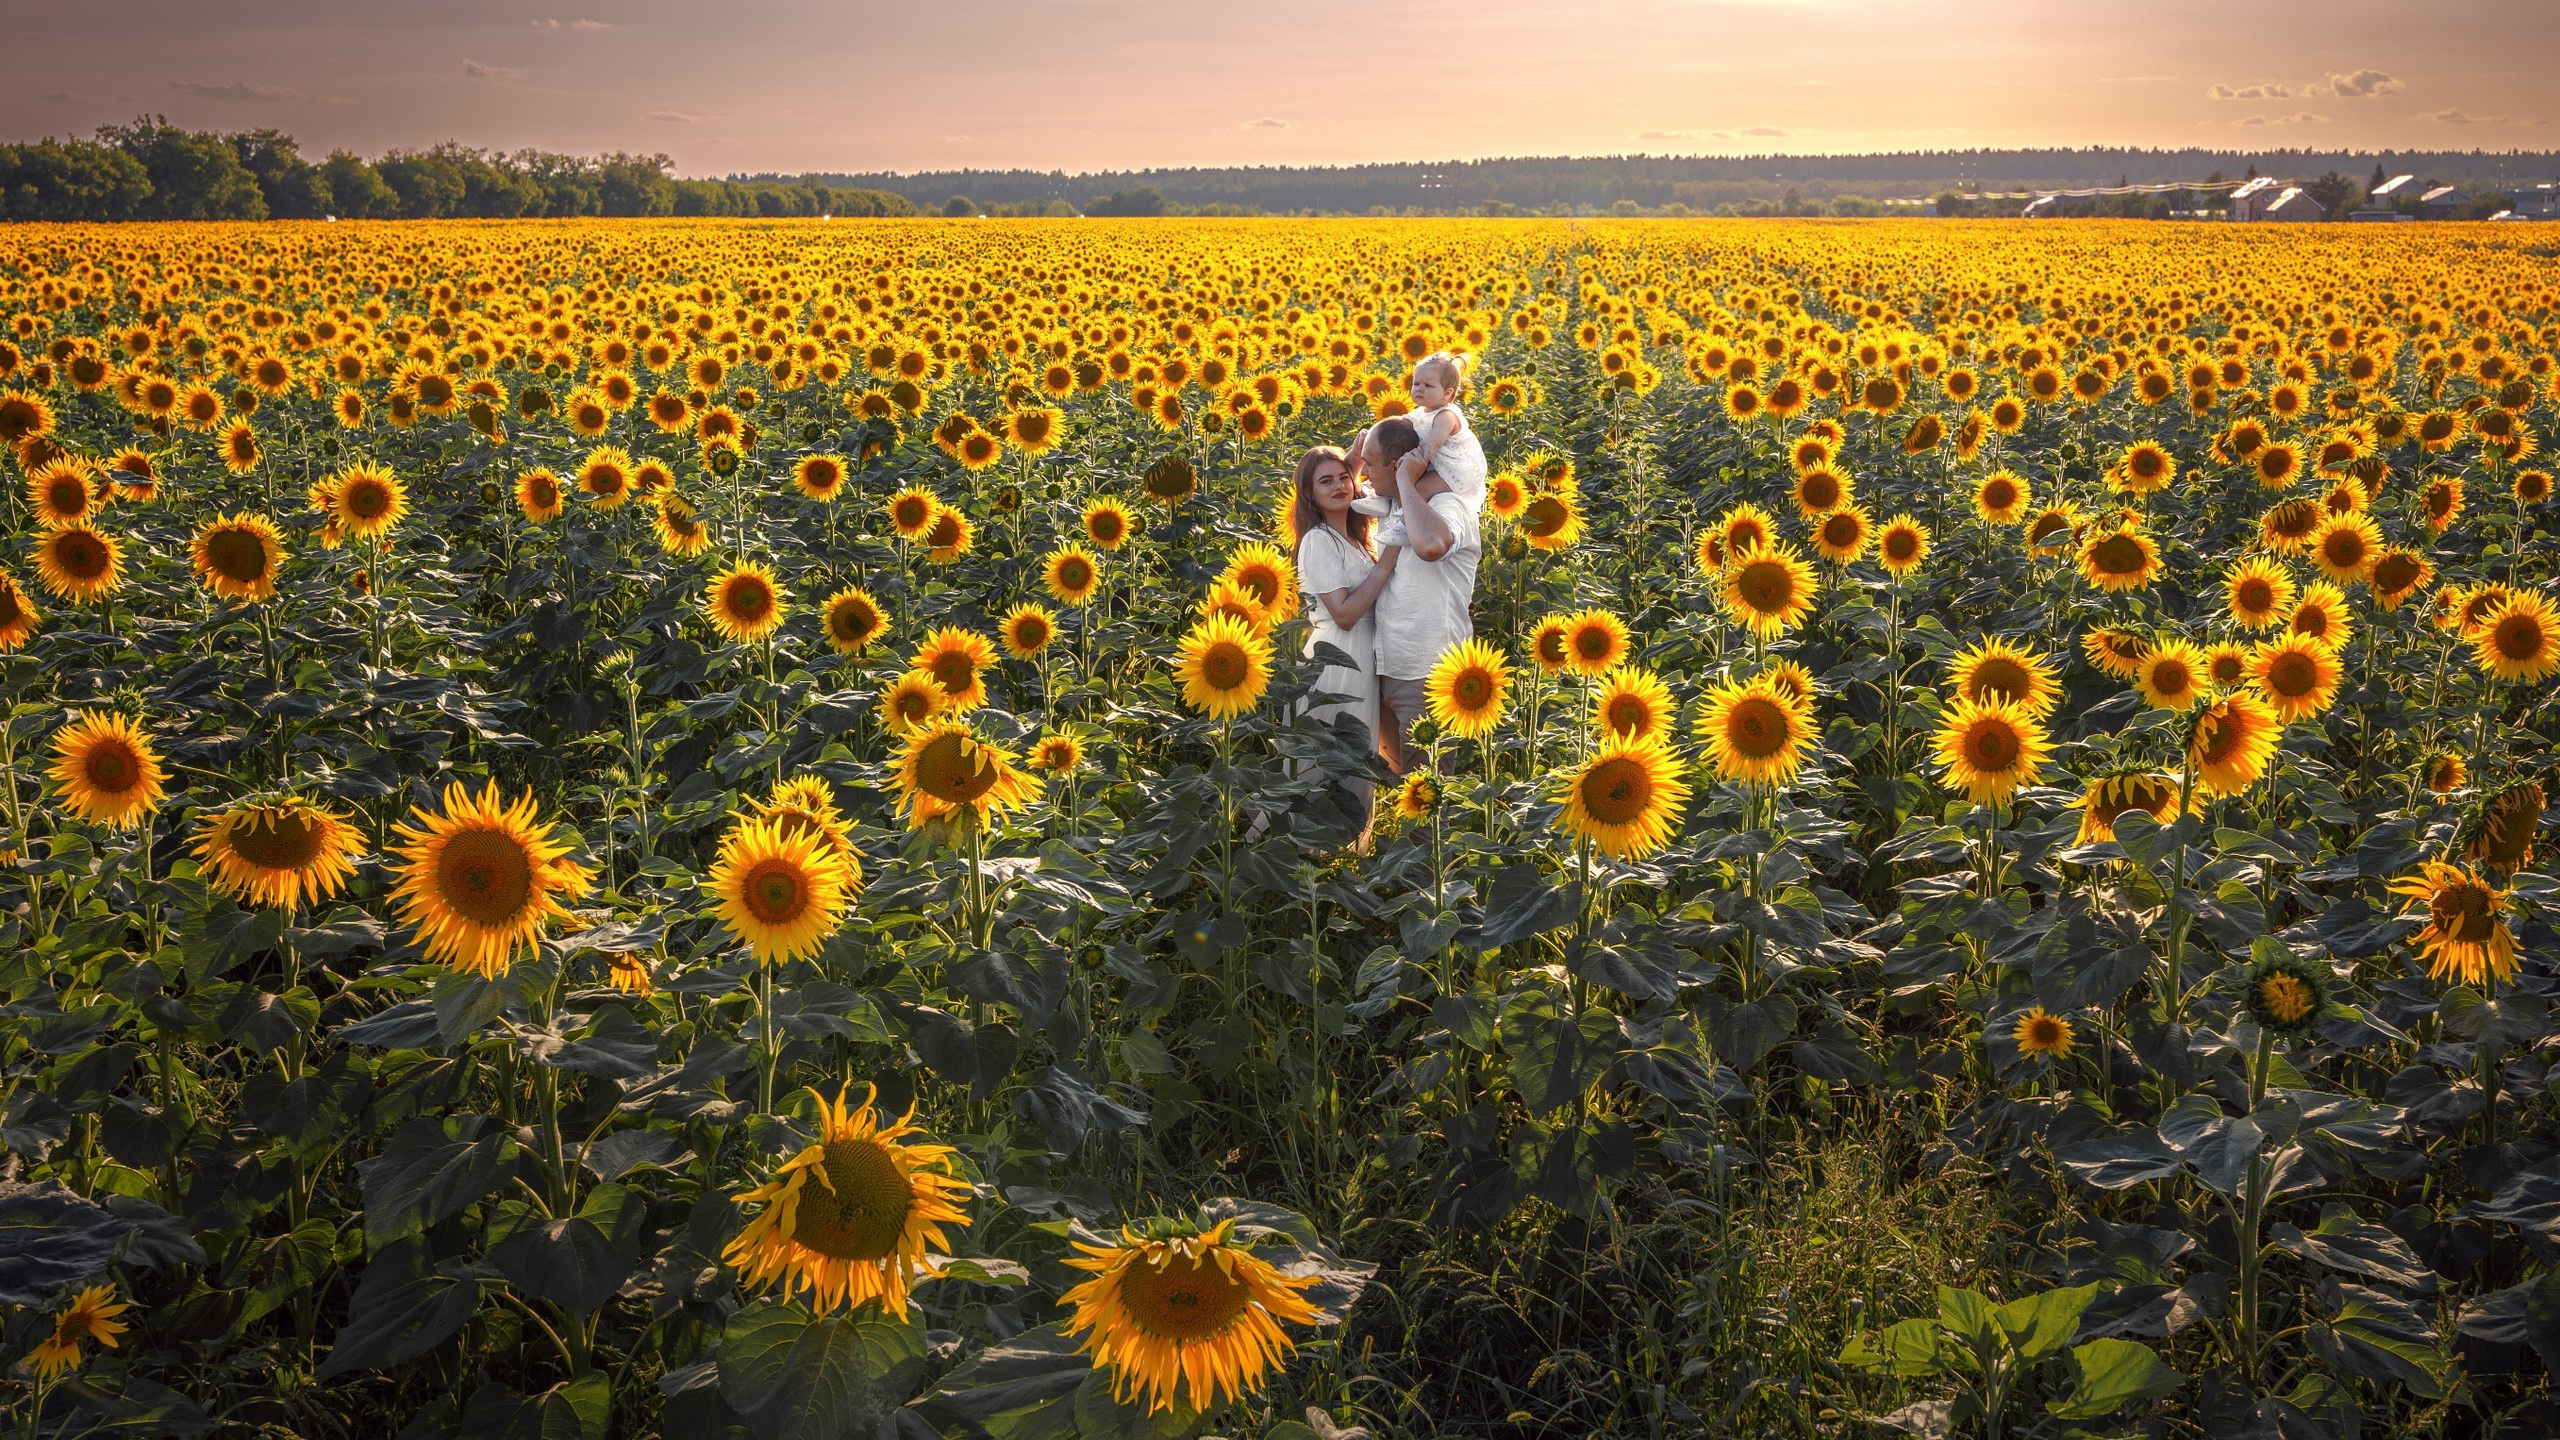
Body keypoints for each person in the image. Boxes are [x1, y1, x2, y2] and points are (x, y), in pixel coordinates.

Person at [1355, 415, 1481, 775]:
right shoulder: (1393, 503)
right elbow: (1339, 495)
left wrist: (1407, 483)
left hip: (1428, 673)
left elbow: (1430, 546)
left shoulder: (1447, 504)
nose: (1365, 474)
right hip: (1389, 668)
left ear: (1397, 467)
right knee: (1399, 785)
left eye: (1370, 464)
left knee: (1427, 796)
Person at [1289, 445, 1400, 837]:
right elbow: (1346, 614)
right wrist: (1387, 563)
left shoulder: (1355, 538)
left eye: (1343, 478)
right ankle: (1305, 852)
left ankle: (1338, 851)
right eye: (1325, 482)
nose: (1338, 486)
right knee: (1331, 759)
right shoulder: (1318, 541)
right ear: (1309, 495)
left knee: (1356, 754)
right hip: (1337, 659)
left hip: (1363, 657)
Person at [1351, 351, 1487, 548]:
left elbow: (1434, 442)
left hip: (1456, 470)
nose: (1419, 389)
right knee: (1400, 476)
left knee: (1420, 489)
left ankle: (1402, 528)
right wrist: (1373, 435)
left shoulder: (1446, 416)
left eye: (1428, 385)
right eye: (1416, 384)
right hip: (1440, 465)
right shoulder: (1421, 413)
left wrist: (1414, 458)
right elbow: (1398, 428)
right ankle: (1380, 500)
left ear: (1447, 394)